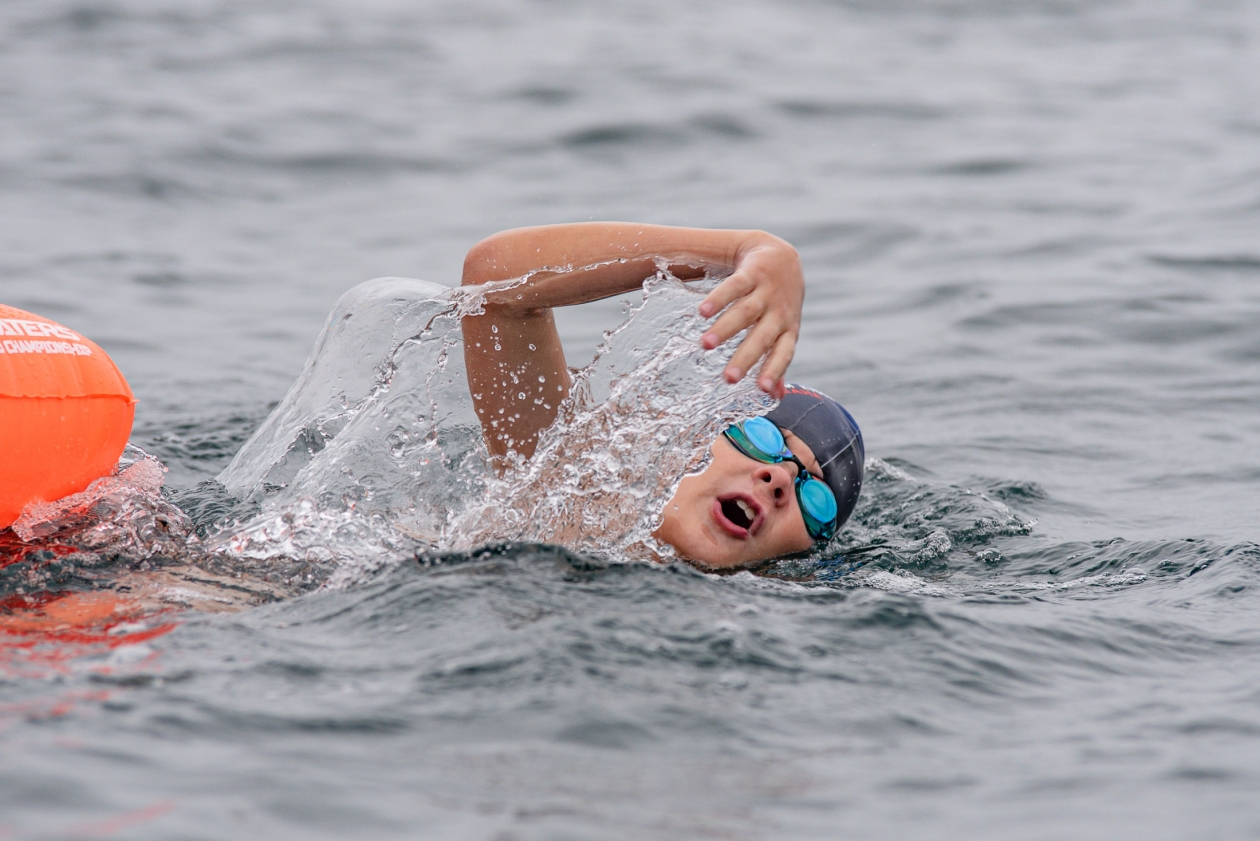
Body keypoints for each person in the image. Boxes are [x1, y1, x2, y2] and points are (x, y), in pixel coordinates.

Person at [461, 222, 863, 570]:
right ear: (685, 442)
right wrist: (742, 251)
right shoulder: (555, 490)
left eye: (816, 498)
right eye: (765, 438)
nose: (779, 477)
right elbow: (495, 283)